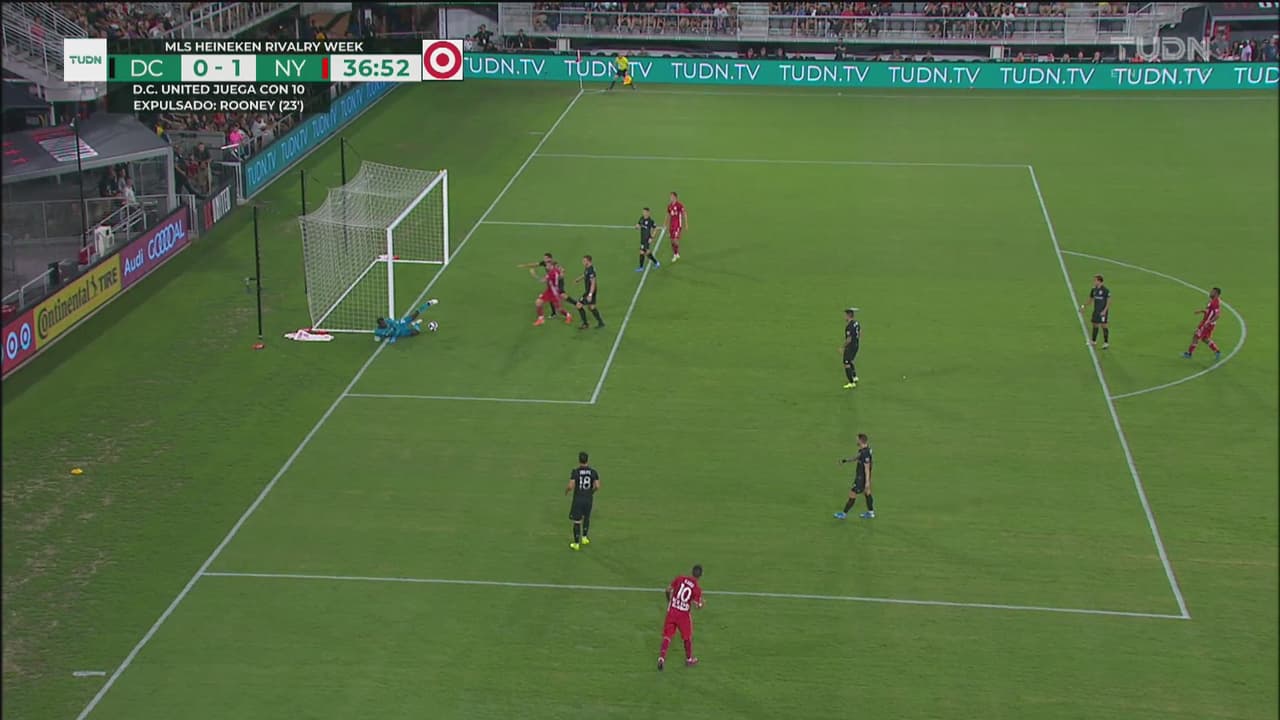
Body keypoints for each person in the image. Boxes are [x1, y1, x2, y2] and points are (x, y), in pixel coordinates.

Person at [658, 565, 704, 671]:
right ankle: (689, 660)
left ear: (691, 571)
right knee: (687, 638)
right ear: (700, 575)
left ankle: (661, 658)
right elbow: (697, 605)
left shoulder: (680, 578)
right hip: (683, 616)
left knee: (667, 636)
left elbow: (668, 590)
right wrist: (701, 604)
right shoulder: (697, 589)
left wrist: (669, 601)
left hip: (672, 611)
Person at [519, 253, 574, 323]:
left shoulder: (552, 273)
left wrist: (533, 274)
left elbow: (542, 280)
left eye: (547, 265)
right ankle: (541, 318)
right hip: (549, 291)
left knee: (559, 309)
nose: (546, 267)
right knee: (538, 302)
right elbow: (560, 275)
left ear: (551, 265)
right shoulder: (553, 271)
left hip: (554, 293)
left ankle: (568, 315)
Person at [834, 433, 875, 520]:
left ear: (861, 441)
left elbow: (867, 468)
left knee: (852, 494)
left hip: (861, 478)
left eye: (857, 440)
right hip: (862, 477)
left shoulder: (865, 453)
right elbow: (857, 457)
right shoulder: (865, 450)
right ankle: (871, 513)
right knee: (867, 493)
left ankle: (844, 514)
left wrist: (867, 482)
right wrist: (846, 460)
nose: (856, 441)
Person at [564, 451, 600, 550]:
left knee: (577, 521)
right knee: (586, 518)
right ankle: (584, 538)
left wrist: (566, 491)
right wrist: (591, 492)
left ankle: (576, 544)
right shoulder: (593, 472)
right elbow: (597, 486)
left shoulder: (575, 472)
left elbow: (571, 486)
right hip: (588, 499)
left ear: (579, 460)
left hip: (578, 500)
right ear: (587, 460)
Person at [1183, 287, 1223, 361]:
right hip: (1207, 323)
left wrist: (1209, 322)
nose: (1210, 293)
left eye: (1212, 292)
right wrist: (1202, 311)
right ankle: (1217, 351)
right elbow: (1210, 311)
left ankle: (1189, 353)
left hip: (1207, 324)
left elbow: (1217, 315)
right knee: (1205, 338)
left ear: (1216, 294)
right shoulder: (1213, 301)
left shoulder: (1215, 302)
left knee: (1196, 336)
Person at [374, 299, 438, 343]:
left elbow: (397, 329)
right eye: (383, 323)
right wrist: (380, 338)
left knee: (415, 314)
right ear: (380, 324)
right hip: (403, 332)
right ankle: (416, 324)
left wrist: (394, 337)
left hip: (401, 323)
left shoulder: (388, 321)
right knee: (417, 332)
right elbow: (382, 335)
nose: (385, 323)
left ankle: (429, 303)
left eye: (384, 322)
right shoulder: (378, 331)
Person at [573, 255, 605, 329]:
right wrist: (578, 279)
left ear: (588, 261)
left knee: (578, 305)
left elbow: (593, 283)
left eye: (584, 261)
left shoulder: (591, 270)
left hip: (590, 291)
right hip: (590, 291)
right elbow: (585, 274)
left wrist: (590, 295)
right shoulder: (588, 268)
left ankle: (585, 324)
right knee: (591, 307)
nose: (582, 262)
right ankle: (601, 323)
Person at [1079, 274, 1111, 349]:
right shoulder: (1094, 289)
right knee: (1095, 324)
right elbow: (1090, 300)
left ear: (1099, 281)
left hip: (1103, 312)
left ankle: (1106, 343)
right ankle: (1093, 341)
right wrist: (1083, 306)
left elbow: (1108, 302)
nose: (1094, 281)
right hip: (1096, 311)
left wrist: (1104, 311)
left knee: (1104, 325)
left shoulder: (1105, 290)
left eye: (1095, 280)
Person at [841, 307, 860, 389]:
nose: (844, 317)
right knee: (850, 360)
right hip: (856, 345)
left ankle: (851, 383)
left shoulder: (849, 326)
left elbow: (849, 339)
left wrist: (843, 347)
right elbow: (859, 333)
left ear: (849, 315)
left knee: (846, 363)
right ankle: (855, 377)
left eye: (845, 315)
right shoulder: (856, 323)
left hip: (850, 347)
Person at [666, 191, 686, 262]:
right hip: (671, 225)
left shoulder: (679, 205)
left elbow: (684, 213)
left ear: (675, 197)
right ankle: (676, 253)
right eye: (670, 196)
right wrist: (665, 223)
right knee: (672, 241)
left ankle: (675, 254)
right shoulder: (669, 206)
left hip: (677, 225)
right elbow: (668, 215)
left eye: (672, 196)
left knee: (675, 240)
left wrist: (686, 224)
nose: (670, 198)